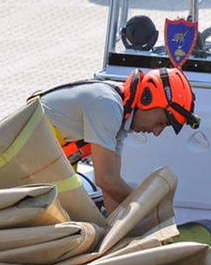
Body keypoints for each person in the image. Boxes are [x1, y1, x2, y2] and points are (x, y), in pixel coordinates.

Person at [37, 68, 199, 214]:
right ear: (147, 98)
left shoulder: (121, 116)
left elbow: (111, 184)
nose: (157, 132)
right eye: (161, 122)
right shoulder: (107, 104)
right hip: (19, 160)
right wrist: (147, 210)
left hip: (34, 165)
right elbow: (105, 179)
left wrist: (119, 230)